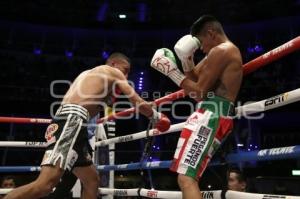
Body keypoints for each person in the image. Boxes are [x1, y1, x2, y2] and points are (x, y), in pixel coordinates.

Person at [4, 52, 170, 199]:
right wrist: (155, 116)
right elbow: (136, 101)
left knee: (92, 180)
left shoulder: (88, 74)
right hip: (72, 122)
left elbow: (89, 105)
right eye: (125, 70)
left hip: (74, 124)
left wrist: (108, 99)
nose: (125, 76)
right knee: (45, 185)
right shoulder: (113, 72)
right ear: (113, 64)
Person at [150, 15, 243, 199]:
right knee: (184, 176)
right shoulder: (215, 54)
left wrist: (171, 71)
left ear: (211, 33)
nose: (200, 47)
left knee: (187, 178)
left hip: (213, 113)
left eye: (200, 42)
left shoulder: (223, 50)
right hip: (206, 113)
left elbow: (199, 92)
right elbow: (194, 85)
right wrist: (186, 60)